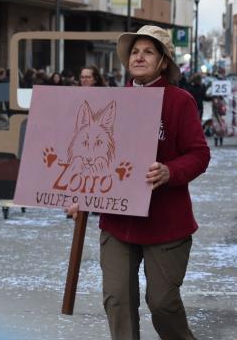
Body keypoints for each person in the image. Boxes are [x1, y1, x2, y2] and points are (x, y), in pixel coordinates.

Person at [68, 25, 210, 340]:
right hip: (118, 221)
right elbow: (90, 157)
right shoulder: (113, 102)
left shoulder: (179, 101)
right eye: (134, 51)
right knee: (118, 300)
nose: (139, 57)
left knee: (162, 304)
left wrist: (170, 171)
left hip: (166, 224)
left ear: (163, 62)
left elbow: (199, 154)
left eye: (148, 51)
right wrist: (78, 194)